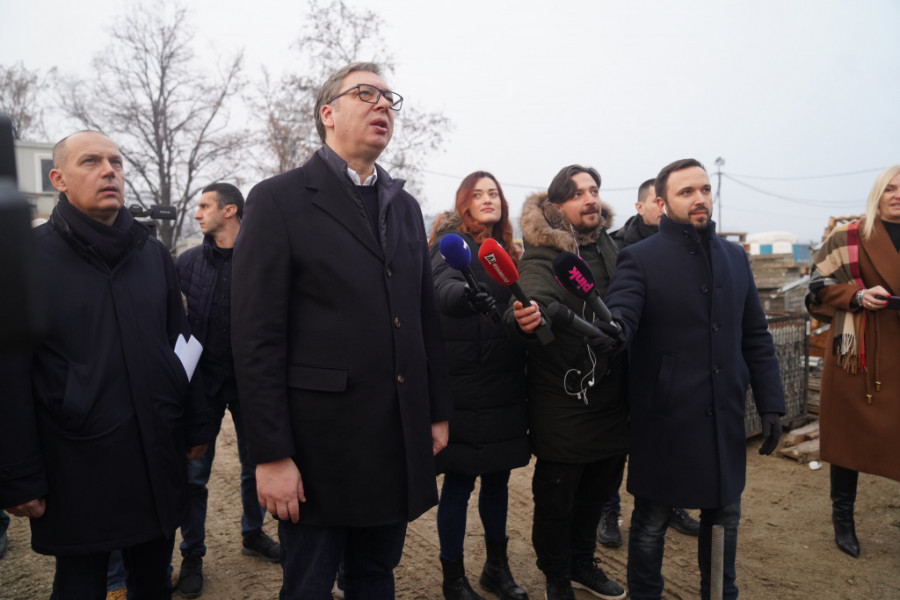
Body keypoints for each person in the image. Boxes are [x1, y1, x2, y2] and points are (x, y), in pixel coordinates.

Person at [231, 62, 453, 599]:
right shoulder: (278, 199)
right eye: (366, 94)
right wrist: (270, 454)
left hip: (393, 437)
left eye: (389, 98)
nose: (383, 105)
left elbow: (424, 317)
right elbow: (256, 337)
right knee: (308, 585)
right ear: (327, 114)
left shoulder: (405, 207)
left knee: (374, 577)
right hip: (319, 447)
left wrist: (436, 410)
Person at [0, 130, 210, 599]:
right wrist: (18, 475)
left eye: (115, 161)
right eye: (91, 161)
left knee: (153, 582)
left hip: (155, 452)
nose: (109, 171)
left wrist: (196, 422)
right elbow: (10, 376)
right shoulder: (27, 259)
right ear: (58, 179)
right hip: (77, 460)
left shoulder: (152, 254)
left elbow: (181, 340)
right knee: (80, 585)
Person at [602, 158, 785, 600]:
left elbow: (755, 336)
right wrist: (613, 330)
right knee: (651, 521)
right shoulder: (640, 258)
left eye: (704, 189)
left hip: (723, 414)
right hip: (665, 418)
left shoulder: (734, 257)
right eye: (686, 191)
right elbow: (621, 315)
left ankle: (719, 593)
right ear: (662, 203)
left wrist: (772, 404)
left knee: (724, 516)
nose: (700, 197)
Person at [508, 165, 627, 600]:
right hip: (564, 399)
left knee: (598, 493)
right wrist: (528, 318)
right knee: (557, 498)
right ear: (557, 206)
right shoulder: (543, 255)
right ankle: (556, 573)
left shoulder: (612, 248)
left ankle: (581, 563)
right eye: (578, 194)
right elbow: (532, 301)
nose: (590, 199)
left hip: (613, 396)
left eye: (593, 190)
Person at [173, 182, 279, 597]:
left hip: (252, 383)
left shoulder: (263, 260)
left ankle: (253, 533)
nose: (197, 213)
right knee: (194, 474)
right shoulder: (186, 263)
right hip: (202, 384)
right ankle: (192, 554)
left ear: (230, 210)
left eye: (204, 206)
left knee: (258, 465)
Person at [429, 172, 530, 600]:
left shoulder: (509, 252)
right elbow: (443, 288)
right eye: (478, 194)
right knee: (458, 484)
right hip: (462, 386)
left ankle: (496, 568)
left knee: (497, 481)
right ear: (464, 203)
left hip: (503, 383)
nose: (488, 199)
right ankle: (453, 578)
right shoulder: (450, 246)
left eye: (494, 194)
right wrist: (467, 297)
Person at [598, 178, 699, 547]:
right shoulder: (614, 247)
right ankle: (608, 512)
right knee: (613, 448)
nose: (663, 207)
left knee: (667, 443)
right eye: (655, 202)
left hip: (664, 365)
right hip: (621, 361)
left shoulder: (686, 246)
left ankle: (670, 505)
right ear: (641, 207)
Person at [806, 164, 900, 559]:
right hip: (856, 354)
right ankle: (843, 520)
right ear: (877, 193)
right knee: (848, 439)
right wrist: (857, 296)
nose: (897, 195)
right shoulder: (849, 235)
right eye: (890, 189)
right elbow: (817, 286)